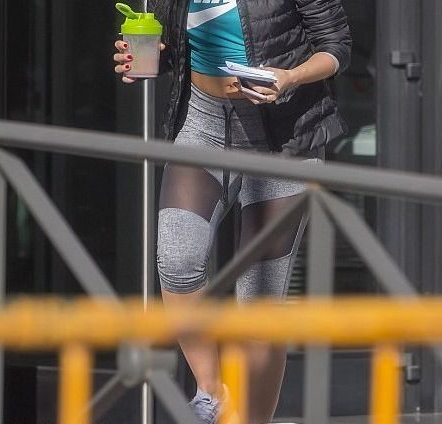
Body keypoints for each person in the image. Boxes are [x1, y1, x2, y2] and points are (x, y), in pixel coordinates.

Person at [114, 0, 351, 422]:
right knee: (177, 262)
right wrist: (147, 58)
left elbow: (336, 47)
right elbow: (178, 45)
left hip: (284, 138)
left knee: (259, 303)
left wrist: (291, 77)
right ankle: (211, 392)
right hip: (202, 123)